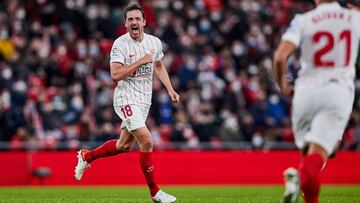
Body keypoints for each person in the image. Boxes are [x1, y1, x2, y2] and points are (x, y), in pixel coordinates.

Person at [74, 4, 179, 203]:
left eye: (137, 19)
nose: (134, 22)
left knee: (123, 146)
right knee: (147, 140)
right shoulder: (119, 45)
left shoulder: (154, 43)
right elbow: (115, 75)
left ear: (144, 22)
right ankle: (155, 192)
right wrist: (141, 61)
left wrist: (170, 89)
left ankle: (86, 156)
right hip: (125, 99)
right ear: (125, 23)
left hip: (144, 100)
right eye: (130, 19)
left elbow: (158, 65)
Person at [273, 0, 360, 203]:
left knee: (309, 158)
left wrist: (283, 85)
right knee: (318, 157)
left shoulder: (303, 20)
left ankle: (306, 191)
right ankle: (298, 178)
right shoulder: (354, 18)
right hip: (336, 90)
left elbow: (279, 57)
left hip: (304, 94)